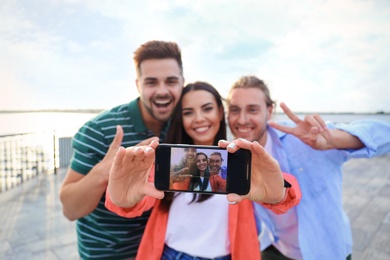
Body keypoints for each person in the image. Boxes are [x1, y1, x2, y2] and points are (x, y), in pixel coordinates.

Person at [105, 81, 302, 260]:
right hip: (169, 255)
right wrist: (122, 200)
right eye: (188, 112)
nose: (199, 118)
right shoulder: (166, 161)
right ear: (180, 118)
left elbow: (286, 188)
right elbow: (132, 200)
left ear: (219, 112)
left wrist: (280, 191)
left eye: (207, 109)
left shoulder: (238, 159)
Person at [225, 75, 390, 260]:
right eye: (234, 110)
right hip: (275, 248)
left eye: (252, 110)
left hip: (326, 251)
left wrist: (333, 140)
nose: (242, 119)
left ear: (269, 111)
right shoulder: (234, 155)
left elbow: (386, 136)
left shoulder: (306, 137)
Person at [59, 40, 185, 259]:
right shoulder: (100, 130)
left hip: (157, 251)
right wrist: (104, 171)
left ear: (182, 83)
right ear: (138, 85)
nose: (162, 91)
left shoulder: (181, 123)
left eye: (171, 81)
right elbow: (70, 209)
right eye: (151, 82)